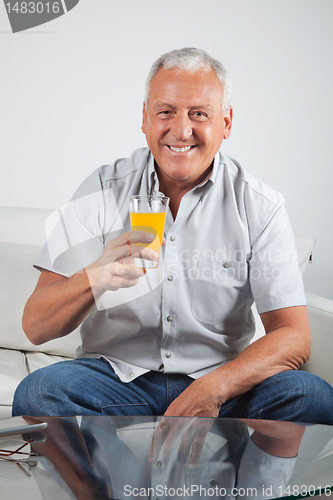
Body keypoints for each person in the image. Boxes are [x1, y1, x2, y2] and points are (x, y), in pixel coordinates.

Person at [12, 47, 333, 424]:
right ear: (145, 119)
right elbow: (36, 326)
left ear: (226, 123)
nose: (181, 131)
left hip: (223, 383)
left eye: (199, 113)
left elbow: (293, 336)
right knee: (39, 393)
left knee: (312, 396)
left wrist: (213, 388)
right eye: (166, 112)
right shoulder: (101, 189)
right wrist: (96, 277)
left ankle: (224, 483)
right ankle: (124, 484)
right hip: (116, 380)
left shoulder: (259, 205)